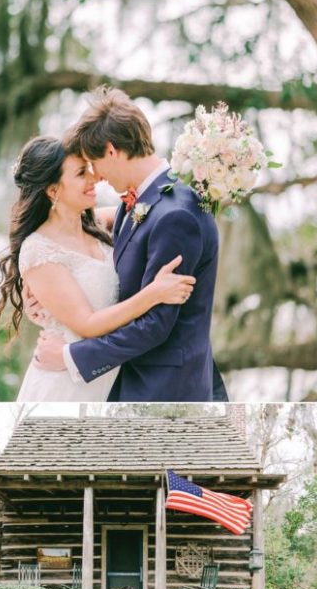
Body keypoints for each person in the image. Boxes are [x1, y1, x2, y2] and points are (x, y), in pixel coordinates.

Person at [29, 87, 229, 401]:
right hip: (130, 383)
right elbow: (63, 235)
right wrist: (39, 284)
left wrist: (70, 356)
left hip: (163, 391)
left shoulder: (175, 215)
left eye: (93, 163)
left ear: (111, 151)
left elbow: (155, 325)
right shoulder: (138, 202)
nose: (97, 177)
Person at [0, 134, 196, 401]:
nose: (95, 178)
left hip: (106, 378)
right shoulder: (38, 250)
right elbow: (87, 324)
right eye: (81, 173)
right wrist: (154, 293)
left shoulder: (98, 224)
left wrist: (213, 177)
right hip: (64, 383)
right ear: (53, 191)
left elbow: (156, 210)